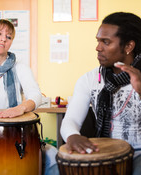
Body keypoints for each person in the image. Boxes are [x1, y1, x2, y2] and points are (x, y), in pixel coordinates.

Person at [0, 19, 59, 175]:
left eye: (9, 37)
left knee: (53, 156)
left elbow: (36, 95)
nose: (4, 38)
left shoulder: (20, 68)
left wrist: (20, 108)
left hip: (15, 138)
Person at [60, 12, 141, 175]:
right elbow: (71, 119)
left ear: (128, 47)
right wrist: (72, 135)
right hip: (104, 153)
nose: (98, 47)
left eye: (106, 42)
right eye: (98, 41)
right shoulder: (89, 79)